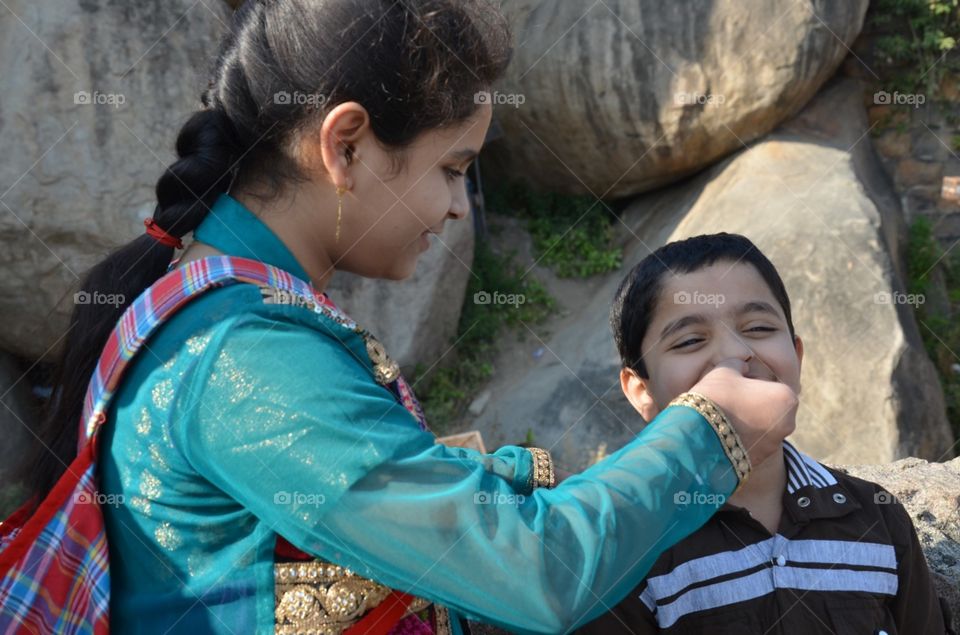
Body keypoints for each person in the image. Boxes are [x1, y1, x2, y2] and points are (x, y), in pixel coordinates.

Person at [16, 3, 797, 634]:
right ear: (347, 147)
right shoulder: (244, 356)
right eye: (452, 169)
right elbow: (534, 571)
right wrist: (709, 427)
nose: (459, 207)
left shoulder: (223, 304)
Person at [579, 232, 951, 634]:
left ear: (797, 356)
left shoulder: (876, 518)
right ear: (641, 390)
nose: (735, 356)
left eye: (757, 328)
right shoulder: (627, 550)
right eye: (689, 340)